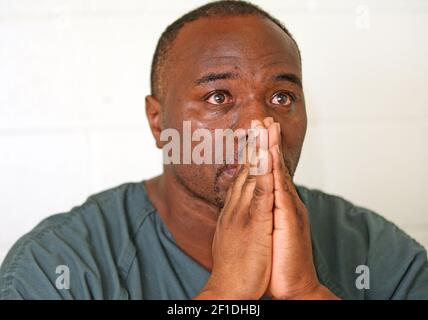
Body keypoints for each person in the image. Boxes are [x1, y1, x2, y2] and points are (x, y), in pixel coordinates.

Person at [1, 0, 427, 300]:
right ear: (157, 122)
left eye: (281, 97)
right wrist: (226, 293)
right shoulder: (56, 266)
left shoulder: (378, 253)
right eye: (218, 97)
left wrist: (304, 292)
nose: (260, 127)